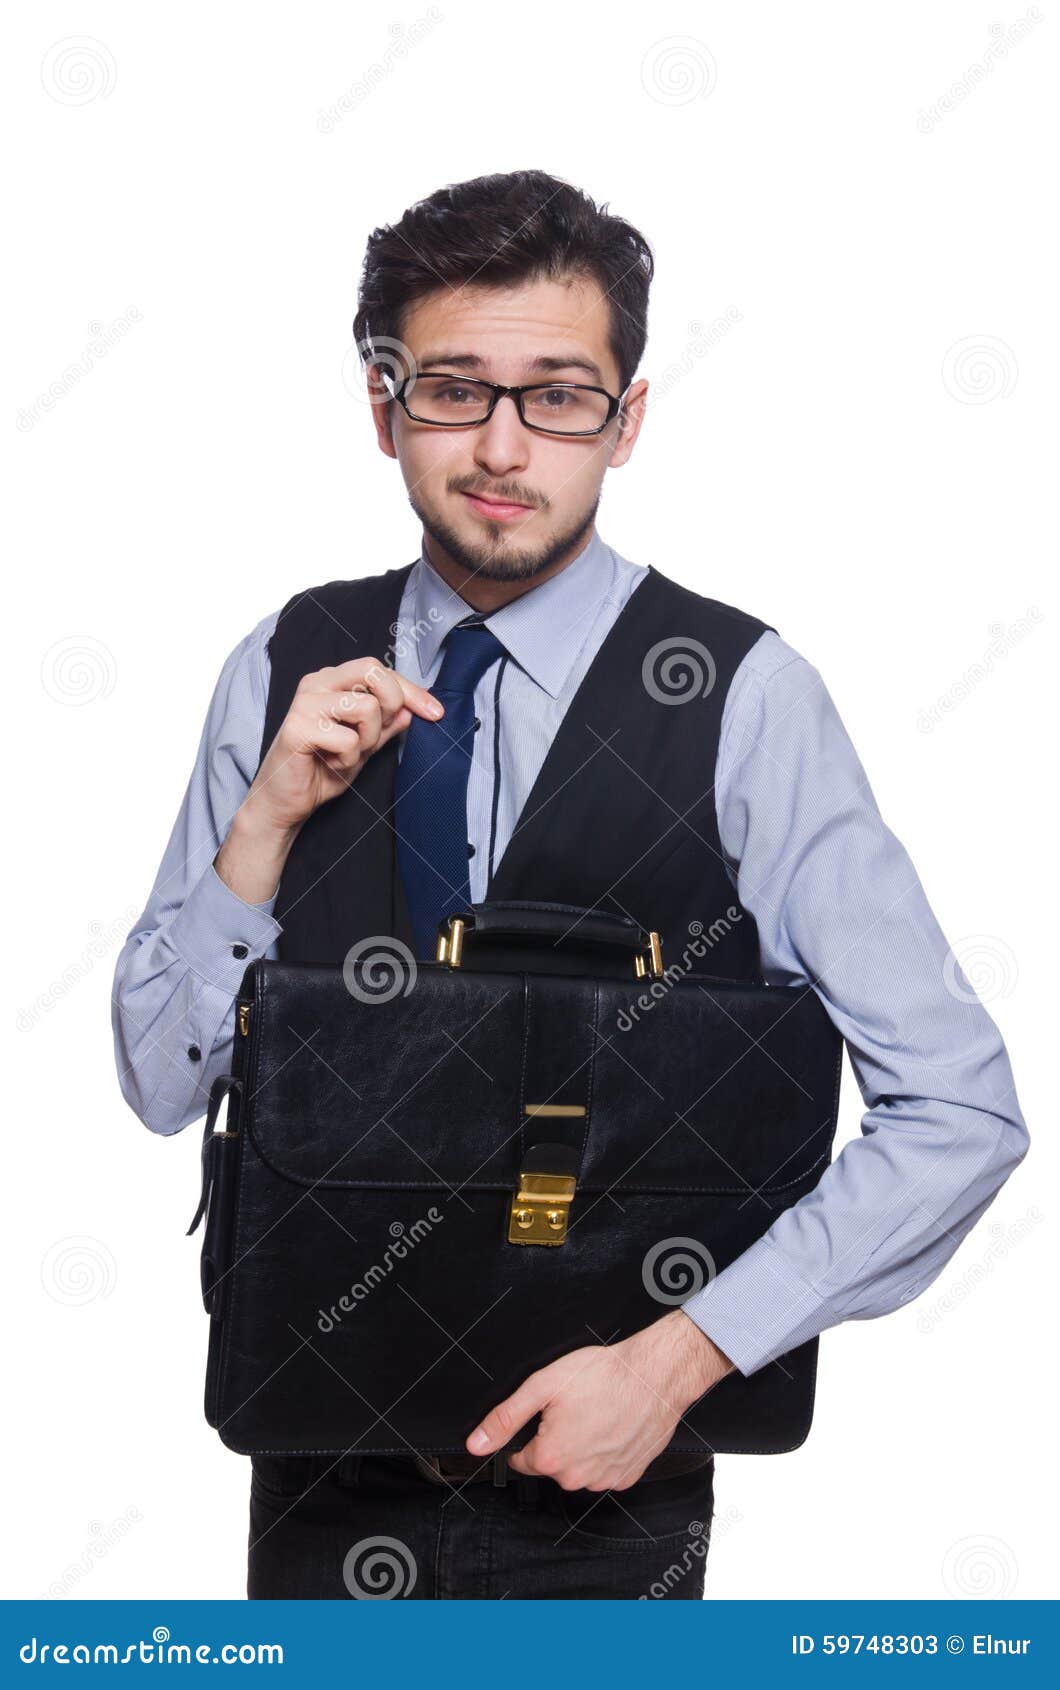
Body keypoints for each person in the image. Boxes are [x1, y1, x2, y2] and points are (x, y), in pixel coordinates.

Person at [112, 169, 1029, 1601]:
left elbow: (961, 1109)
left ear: (627, 419)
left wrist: (684, 1357)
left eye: (557, 395)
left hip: (614, 1500)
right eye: (453, 389)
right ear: (381, 404)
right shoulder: (286, 661)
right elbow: (162, 1083)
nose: (500, 444)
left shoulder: (745, 698)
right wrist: (266, 824)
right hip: (311, 1466)